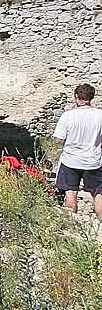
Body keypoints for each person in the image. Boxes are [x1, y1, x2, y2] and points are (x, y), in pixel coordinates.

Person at [52, 83, 102, 222]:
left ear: (76, 97)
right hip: (93, 160)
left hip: (71, 160)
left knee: (71, 192)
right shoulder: (99, 115)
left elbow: (58, 140)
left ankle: (71, 224)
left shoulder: (68, 116)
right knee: (98, 193)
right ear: (91, 97)